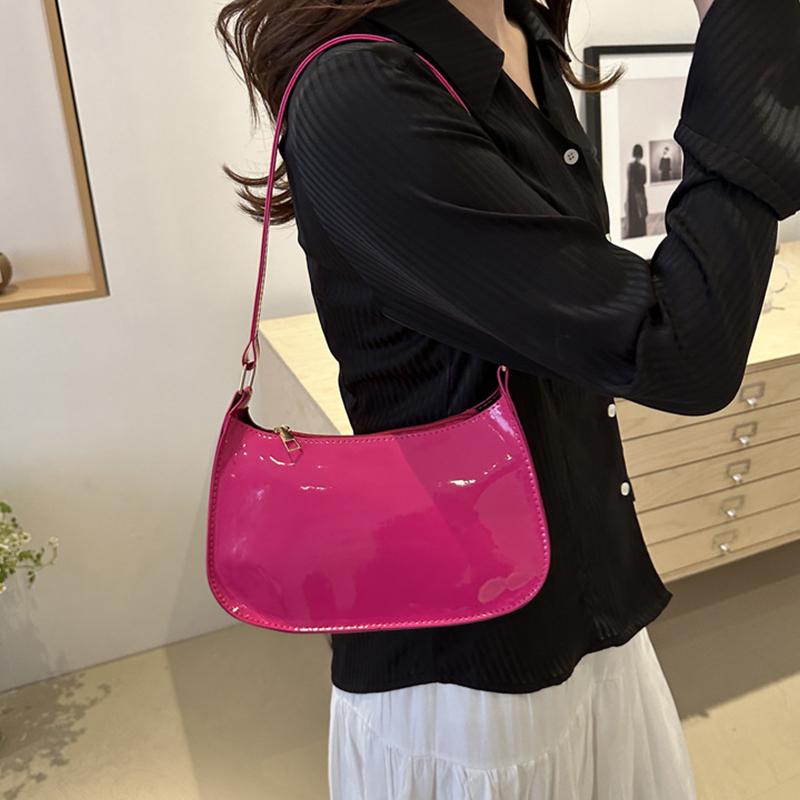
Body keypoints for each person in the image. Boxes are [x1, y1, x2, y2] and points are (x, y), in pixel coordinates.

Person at [215, 0, 800, 797]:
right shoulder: (360, 89)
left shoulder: (523, 29)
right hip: (472, 677)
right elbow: (680, 346)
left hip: (590, 603)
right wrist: (756, 35)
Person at [626, 142, 648, 237]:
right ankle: (641, 232)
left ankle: (634, 232)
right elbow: (644, 181)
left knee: (635, 213)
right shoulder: (642, 167)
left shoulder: (631, 166)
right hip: (639, 192)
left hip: (633, 193)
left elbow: (631, 181)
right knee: (640, 213)